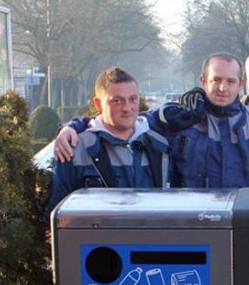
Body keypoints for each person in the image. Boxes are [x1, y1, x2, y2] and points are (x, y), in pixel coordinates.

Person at [55, 53, 249, 188]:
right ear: (202, 81)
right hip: (198, 235)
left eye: (230, 81)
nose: (222, 88)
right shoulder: (178, 121)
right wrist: (72, 127)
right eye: (216, 79)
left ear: (240, 83)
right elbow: (122, 120)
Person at [46, 67, 171, 215]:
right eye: (117, 101)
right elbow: (59, 214)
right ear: (98, 104)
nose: (127, 108)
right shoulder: (74, 149)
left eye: (132, 99)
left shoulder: (161, 146)